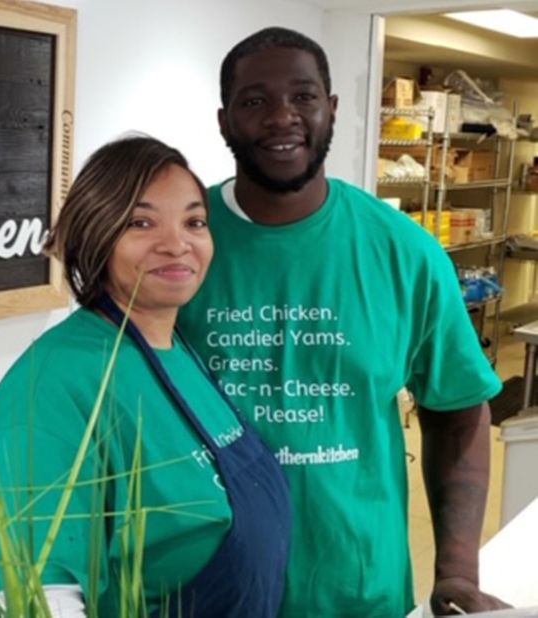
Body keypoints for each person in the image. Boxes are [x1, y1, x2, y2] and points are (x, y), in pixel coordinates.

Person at [176, 27, 511, 617]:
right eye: (255, 101)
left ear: (331, 110)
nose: (283, 117)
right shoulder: (177, 248)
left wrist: (457, 571)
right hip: (201, 588)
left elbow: (458, 412)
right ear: (225, 120)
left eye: (304, 97)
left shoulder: (403, 252)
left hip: (356, 591)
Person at [0, 135, 290, 617]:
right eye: (141, 222)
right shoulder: (53, 382)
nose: (176, 244)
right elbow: (36, 596)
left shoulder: (177, 347)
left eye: (195, 222)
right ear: (96, 233)